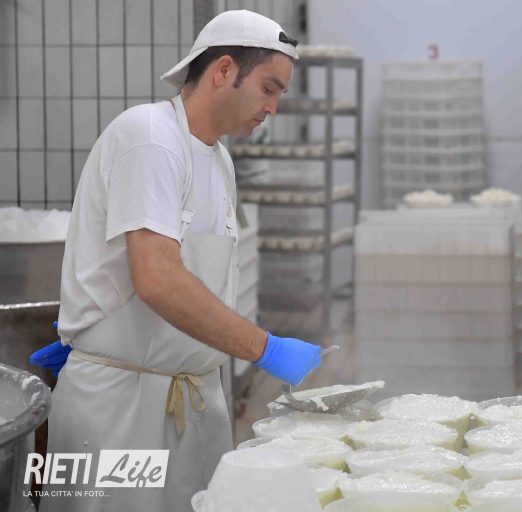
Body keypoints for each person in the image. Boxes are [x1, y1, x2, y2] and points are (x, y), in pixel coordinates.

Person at [32, 10, 321, 512]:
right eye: (269, 89)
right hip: (121, 410)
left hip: (191, 401)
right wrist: (264, 348)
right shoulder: (149, 136)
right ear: (224, 70)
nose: (273, 108)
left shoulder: (219, 159)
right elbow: (158, 278)